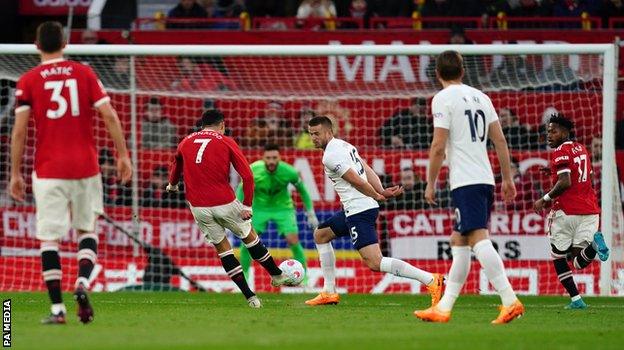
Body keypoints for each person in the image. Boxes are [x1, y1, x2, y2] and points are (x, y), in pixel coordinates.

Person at [9, 21, 132, 324]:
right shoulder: (85, 73)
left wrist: (14, 172)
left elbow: (20, 131)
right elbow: (109, 115)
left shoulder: (27, 80)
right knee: (86, 231)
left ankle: (57, 310)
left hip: (48, 169)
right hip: (86, 167)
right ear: (65, 44)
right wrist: (123, 155)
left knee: (49, 238)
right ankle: (83, 283)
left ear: (37, 46)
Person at [414, 50, 523, 324]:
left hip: (465, 180)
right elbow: (499, 140)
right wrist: (507, 178)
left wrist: (430, 182)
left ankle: (510, 300)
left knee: (477, 238)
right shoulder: (482, 97)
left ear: (437, 73)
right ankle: (444, 308)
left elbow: (438, 145)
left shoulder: (442, 98)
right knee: (459, 241)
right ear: (463, 71)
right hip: (484, 177)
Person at [304, 116, 444, 306]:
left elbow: (356, 180)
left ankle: (430, 280)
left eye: (317, 134)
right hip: (355, 209)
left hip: (359, 210)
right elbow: (367, 168)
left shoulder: (330, 156)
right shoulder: (345, 146)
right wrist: (380, 191)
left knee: (374, 262)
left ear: (329, 131)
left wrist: (376, 195)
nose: (313, 138)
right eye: (311, 134)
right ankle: (329, 292)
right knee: (321, 235)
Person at [166, 109, 294, 308]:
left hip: (198, 206)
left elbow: (176, 166)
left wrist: (172, 185)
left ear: (202, 125)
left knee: (223, 250)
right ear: (222, 125)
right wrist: (247, 205)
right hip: (224, 202)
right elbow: (248, 177)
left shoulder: (185, 141)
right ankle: (276, 274)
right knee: (249, 237)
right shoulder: (225, 140)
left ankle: (250, 297)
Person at [533, 115, 609, 309]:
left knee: (559, 258)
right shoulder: (581, 148)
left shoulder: (561, 150)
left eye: (553, 131)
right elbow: (583, 176)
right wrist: (552, 172)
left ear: (565, 132)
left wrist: (545, 199)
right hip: (590, 210)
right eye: (548, 131)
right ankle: (594, 245)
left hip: (566, 210)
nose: (549, 135)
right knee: (577, 261)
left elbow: (565, 181)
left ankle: (576, 300)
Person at [236, 144, 318, 283]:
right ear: (263, 158)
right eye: (268, 158)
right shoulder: (253, 169)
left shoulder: (289, 171)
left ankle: (304, 277)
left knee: (293, 240)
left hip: (283, 208)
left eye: (274, 158)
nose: (271, 161)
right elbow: (241, 188)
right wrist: (238, 208)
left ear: (280, 157)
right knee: (247, 241)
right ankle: (244, 277)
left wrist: (310, 212)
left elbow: (303, 190)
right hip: (259, 208)